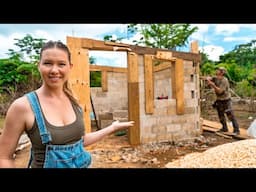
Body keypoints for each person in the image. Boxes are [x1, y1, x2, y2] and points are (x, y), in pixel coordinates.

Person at [0, 40, 134, 168]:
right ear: (39, 65)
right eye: (47, 63)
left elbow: (79, 142)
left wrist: (112, 128)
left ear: (70, 67)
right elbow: (4, 157)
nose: (54, 70)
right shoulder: (23, 107)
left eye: (61, 64)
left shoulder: (73, 101)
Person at [206, 66, 240, 135]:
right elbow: (209, 78)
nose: (216, 71)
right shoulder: (216, 78)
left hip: (226, 100)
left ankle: (236, 130)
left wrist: (213, 85)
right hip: (219, 100)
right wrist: (207, 78)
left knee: (230, 115)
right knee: (221, 115)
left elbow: (220, 91)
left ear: (221, 73)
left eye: (218, 70)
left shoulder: (224, 80)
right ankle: (224, 128)